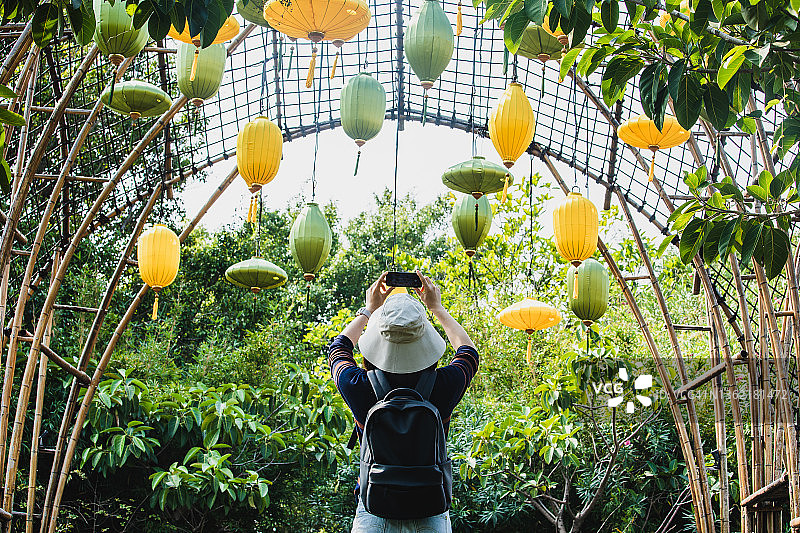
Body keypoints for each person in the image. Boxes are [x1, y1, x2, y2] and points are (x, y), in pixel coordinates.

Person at [328, 271, 479, 533]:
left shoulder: (358, 386)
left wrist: (368, 309)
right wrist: (437, 307)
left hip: (373, 513)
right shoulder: (444, 385)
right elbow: (468, 352)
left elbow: (338, 348)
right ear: (424, 340)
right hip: (430, 512)